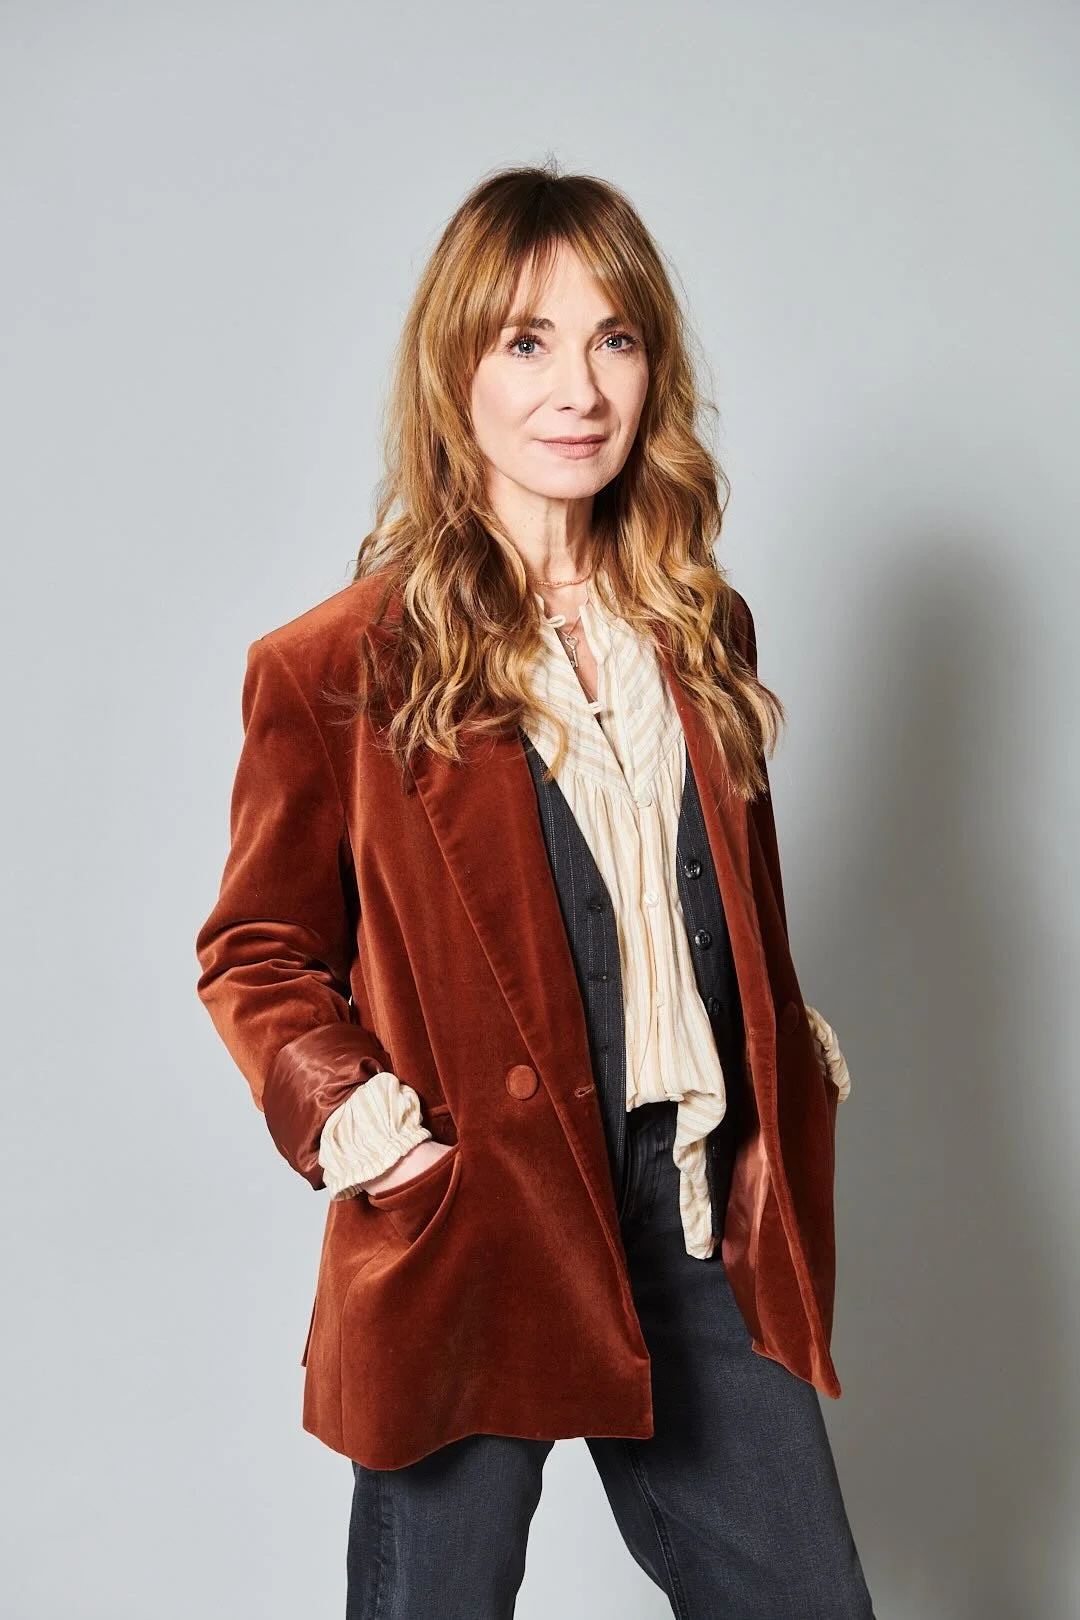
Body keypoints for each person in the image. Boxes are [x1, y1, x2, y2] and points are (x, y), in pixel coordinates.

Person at [195, 161, 875, 1619]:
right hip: (475, 1217)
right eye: (527, 340)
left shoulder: (701, 625)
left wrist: (776, 1027)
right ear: (457, 373)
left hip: (692, 1202)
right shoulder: (341, 665)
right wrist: (353, 1116)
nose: (579, 388)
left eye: (614, 338)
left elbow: (714, 890)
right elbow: (254, 947)